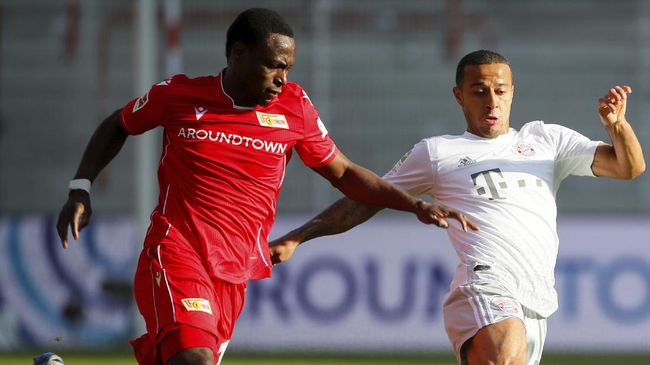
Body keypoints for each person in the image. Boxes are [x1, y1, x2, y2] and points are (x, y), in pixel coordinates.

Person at [55, 8, 476, 365]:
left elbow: (344, 173)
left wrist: (413, 205)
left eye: (288, 68)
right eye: (273, 65)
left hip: (235, 270)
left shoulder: (295, 107)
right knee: (193, 359)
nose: (281, 78)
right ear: (239, 55)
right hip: (177, 251)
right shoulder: (179, 95)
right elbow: (118, 124)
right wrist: (80, 188)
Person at [269, 50, 645, 365]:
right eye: (479, 91)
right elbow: (367, 197)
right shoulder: (437, 152)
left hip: (537, 298)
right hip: (484, 283)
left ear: (513, 92)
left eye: (499, 90)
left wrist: (617, 126)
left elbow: (629, 167)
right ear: (459, 96)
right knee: (503, 353)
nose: (491, 101)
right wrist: (300, 236)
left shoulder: (547, 140)